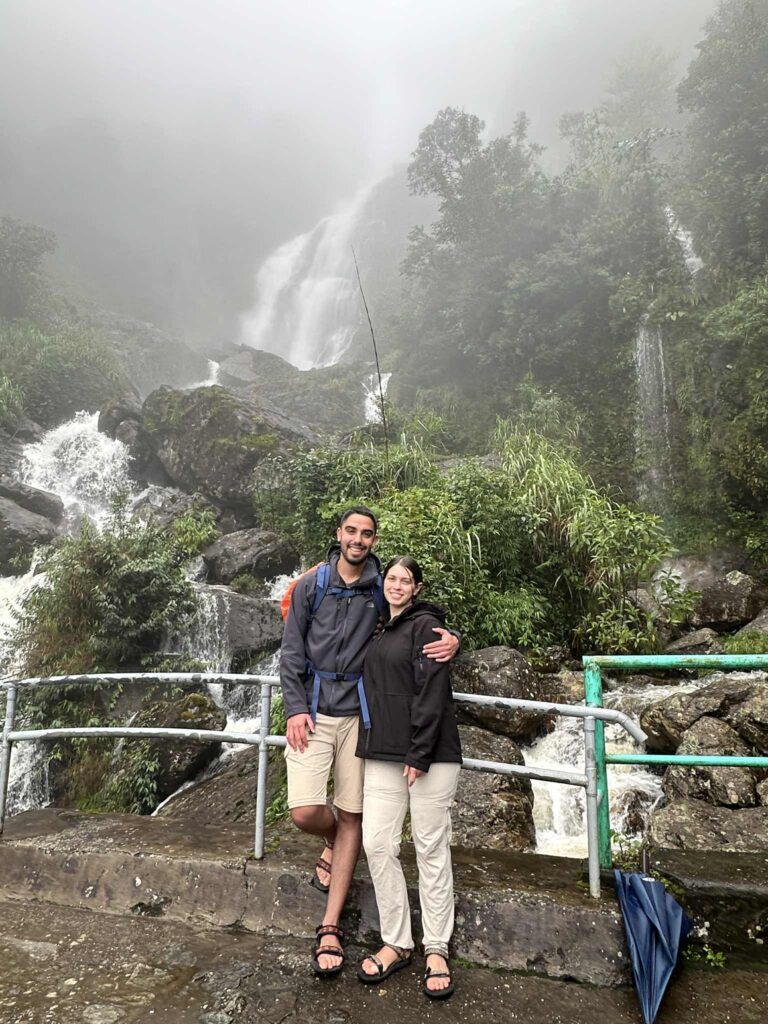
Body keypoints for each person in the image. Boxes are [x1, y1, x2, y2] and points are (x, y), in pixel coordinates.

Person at [279, 507, 459, 977]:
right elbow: (292, 649)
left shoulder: (384, 595)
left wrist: (454, 637)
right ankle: (338, 847)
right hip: (332, 721)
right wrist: (296, 706)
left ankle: (361, 934)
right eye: (352, 532)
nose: (359, 540)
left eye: (367, 534)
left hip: (370, 725)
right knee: (331, 823)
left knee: (403, 838)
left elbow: (427, 624)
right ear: (339, 535)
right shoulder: (314, 585)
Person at [355, 555, 462, 1000]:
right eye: (391, 578)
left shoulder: (426, 627)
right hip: (381, 751)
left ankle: (436, 948)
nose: (397, 585)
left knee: (429, 846)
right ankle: (397, 941)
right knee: (377, 843)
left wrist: (418, 753)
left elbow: (432, 692)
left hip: (430, 755)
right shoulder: (378, 623)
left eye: (405, 580)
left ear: (416, 588)